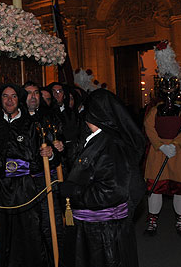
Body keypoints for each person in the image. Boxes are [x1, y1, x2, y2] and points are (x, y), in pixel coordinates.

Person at [60, 89, 146, 267]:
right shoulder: (95, 138)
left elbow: (111, 191)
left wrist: (73, 191)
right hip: (89, 228)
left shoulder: (112, 145)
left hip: (102, 232)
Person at [143, 41, 181, 237]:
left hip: (180, 151)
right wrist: (160, 146)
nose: (168, 87)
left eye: (172, 83)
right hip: (158, 151)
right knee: (155, 187)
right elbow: (148, 127)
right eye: (165, 83)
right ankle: (152, 221)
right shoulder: (154, 108)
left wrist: (176, 144)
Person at [0, 83, 44, 267]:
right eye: (5, 96)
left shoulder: (31, 125)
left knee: (28, 236)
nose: (9, 100)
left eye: (13, 96)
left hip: (25, 190)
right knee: (1, 238)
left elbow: (39, 161)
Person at [22, 81, 64, 267]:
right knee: (30, 228)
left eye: (36, 93)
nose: (33, 96)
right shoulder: (18, 118)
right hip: (24, 183)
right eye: (28, 93)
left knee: (51, 225)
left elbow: (60, 146)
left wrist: (56, 150)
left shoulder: (50, 117)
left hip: (47, 180)